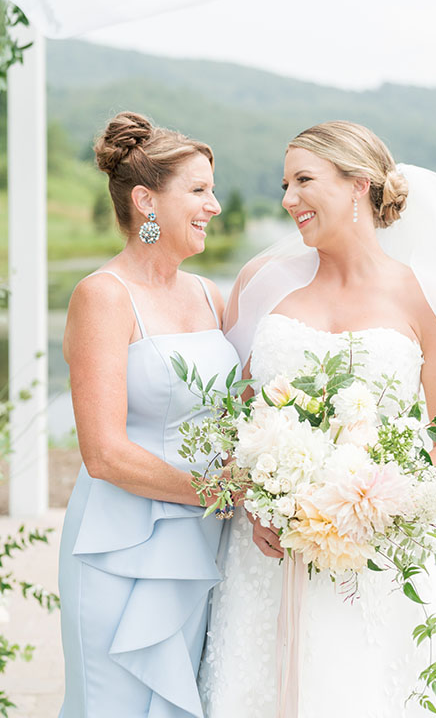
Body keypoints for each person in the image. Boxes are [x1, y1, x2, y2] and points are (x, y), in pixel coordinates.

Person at [199, 121, 436, 717]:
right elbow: (236, 416)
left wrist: (382, 500)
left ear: (358, 185)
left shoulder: (429, 299)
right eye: (283, 183)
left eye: (304, 180)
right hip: (268, 559)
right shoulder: (260, 285)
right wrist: (253, 498)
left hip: (379, 555)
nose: (287, 200)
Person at [58, 111, 240, 718]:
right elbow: (103, 453)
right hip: (120, 545)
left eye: (211, 188)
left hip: (200, 544)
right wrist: (220, 493)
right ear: (146, 201)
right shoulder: (104, 296)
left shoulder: (212, 296)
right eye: (198, 190)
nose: (214, 204)